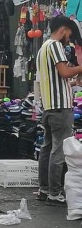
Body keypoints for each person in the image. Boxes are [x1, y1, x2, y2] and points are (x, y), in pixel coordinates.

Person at [36, 16, 82, 206]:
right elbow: (64, 72)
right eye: (69, 34)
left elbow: (58, 78)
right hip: (59, 107)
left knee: (47, 149)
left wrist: (74, 80)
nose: (69, 39)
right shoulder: (55, 46)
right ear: (63, 29)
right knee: (58, 150)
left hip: (48, 106)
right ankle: (55, 193)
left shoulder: (43, 47)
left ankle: (44, 189)